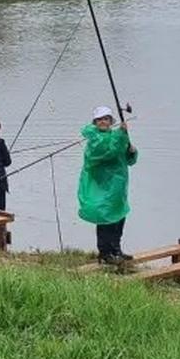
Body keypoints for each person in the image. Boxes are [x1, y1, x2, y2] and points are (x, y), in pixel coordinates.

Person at [78, 106, 139, 264]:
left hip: (118, 185)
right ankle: (105, 253)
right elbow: (107, 152)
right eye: (99, 120)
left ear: (111, 121)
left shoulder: (116, 135)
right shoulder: (95, 139)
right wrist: (121, 134)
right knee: (105, 218)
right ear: (95, 122)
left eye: (106, 119)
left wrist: (132, 151)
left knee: (119, 217)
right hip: (101, 186)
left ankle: (116, 249)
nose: (103, 122)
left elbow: (128, 160)